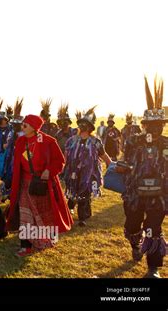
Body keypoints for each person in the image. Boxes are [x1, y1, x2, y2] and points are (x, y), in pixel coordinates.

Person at [4, 114, 73, 257]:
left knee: (41, 214)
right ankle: (26, 246)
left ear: (34, 128)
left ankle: (42, 241)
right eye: (22, 124)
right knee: (25, 213)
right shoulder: (21, 141)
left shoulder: (48, 141)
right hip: (24, 183)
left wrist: (49, 170)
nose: (22, 127)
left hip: (42, 184)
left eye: (25, 125)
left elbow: (60, 161)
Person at [122, 76, 167, 278]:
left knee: (153, 228)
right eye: (152, 124)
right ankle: (135, 243)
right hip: (134, 194)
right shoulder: (133, 141)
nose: (156, 128)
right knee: (133, 225)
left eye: (160, 124)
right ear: (145, 125)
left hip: (159, 195)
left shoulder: (166, 144)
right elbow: (125, 161)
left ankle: (153, 267)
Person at [63, 107, 113, 226]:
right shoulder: (71, 140)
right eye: (81, 124)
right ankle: (69, 208)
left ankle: (82, 218)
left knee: (84, 193)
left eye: (85, 124)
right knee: (72, 192)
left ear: (90, 127)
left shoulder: (95, 141)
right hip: (73, 171)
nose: (83, 126)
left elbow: (103, 154)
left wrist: (111, 164)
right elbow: (66, 155)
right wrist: (62, 166)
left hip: (89, 173)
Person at [1, 97, 24, 200]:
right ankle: (11, 195)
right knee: (10, 176)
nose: (15, 126)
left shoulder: (24, 134)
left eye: (17, 125)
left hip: (21, 159)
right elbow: (6, 144)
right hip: (10, 159)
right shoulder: (11, 132)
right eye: (14, 124)